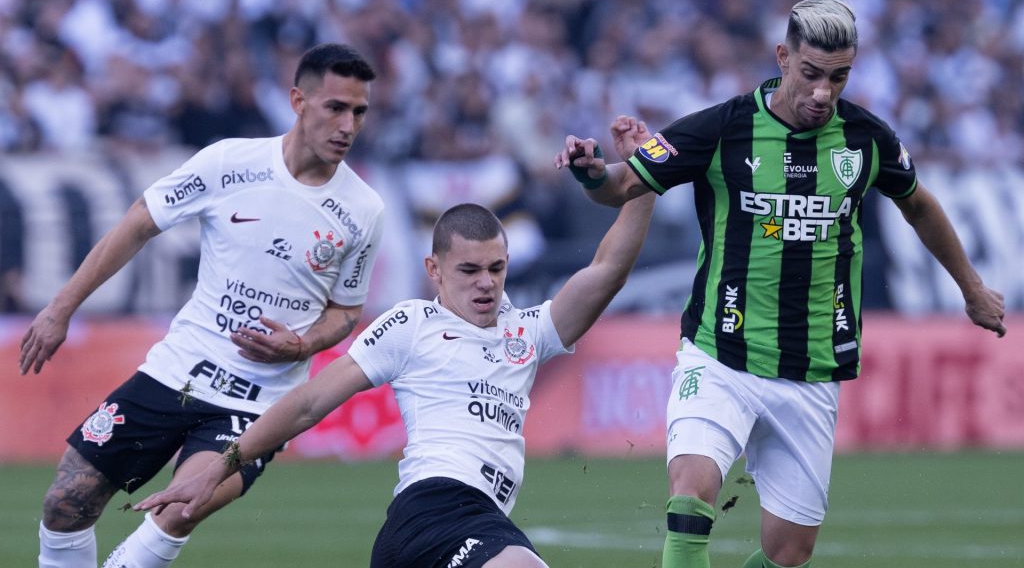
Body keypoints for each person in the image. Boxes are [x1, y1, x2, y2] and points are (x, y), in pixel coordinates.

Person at [554, 0, 1007, 568]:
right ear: (783, 57)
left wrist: (970, 288)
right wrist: (590, 171)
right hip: (721, 354)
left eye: (838, 78)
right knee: (691, 496)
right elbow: (622, 185)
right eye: (811, 73)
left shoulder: (867, 139)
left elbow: (919, 205)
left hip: (811, 369)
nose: (823, 92)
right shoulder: (722, 128)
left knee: (789, 554)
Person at [134, 118, 657, 568]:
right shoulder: (411, 323)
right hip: (436, 509)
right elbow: (310, 402)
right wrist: (220, 468)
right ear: (434, 270)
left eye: (496, 269)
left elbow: (607, 271)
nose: (486, 283)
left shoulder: (529, 331)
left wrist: (645, 181)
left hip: (456, 525)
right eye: (469, 270)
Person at [18, 42, 385, 568]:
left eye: (359, 112)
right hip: (177, 371)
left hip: (259, 401)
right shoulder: (228, 162)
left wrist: (302, 344)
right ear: (298, 101)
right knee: (65, 502)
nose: (348, 125)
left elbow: (346, 312)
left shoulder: (363, 210)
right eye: (335, 107)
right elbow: (140, 221)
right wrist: (61, 308)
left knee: (181, 507)